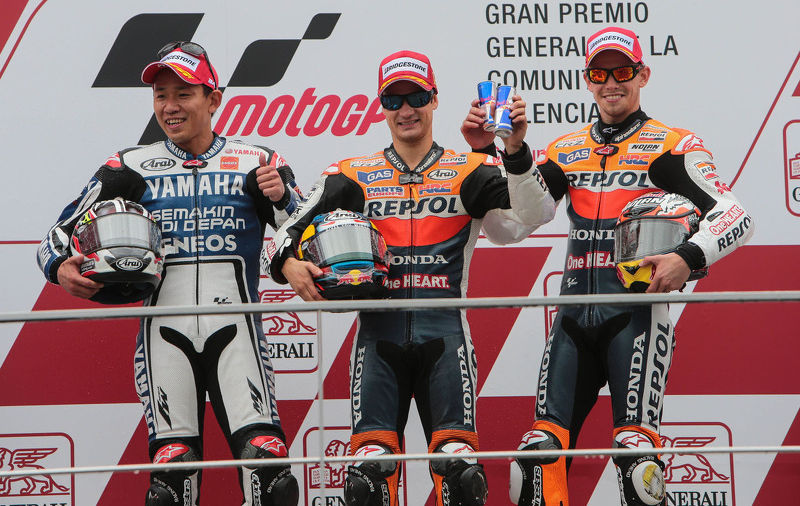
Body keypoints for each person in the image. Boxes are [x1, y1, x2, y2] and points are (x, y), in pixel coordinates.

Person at [264, 50, 556, 506]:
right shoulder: (350, 175)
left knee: (461, 479)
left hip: (448, 338)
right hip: (377, 342)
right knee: (367, 482)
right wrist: (287, 265)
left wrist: (514, 151)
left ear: (435, 100)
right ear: (381, 107)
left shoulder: (471, 169)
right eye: (393, 99)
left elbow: (534, 215)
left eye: (416, 96)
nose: (405, 109)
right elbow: (288, 231)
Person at [37, 41, 302, 506]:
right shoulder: (129, 166)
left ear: (213, 98)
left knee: (271, 475)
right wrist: (59, 267)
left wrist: (282, 200)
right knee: (171, 481)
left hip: (238, 334)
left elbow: (301, 237)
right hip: (164, 336)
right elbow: (56, 234)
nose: (170, 106)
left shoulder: (259, 162)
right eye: (161, 94)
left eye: (184, 93)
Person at [505, 27, 755, 506]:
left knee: (637, 460)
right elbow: (519, 223)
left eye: (622, 71)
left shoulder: (672, 144)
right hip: (573, 316)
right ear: (587, 79)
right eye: (600, 72)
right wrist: (514, 154)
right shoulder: (566, 148)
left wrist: (688, 257)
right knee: (538, 461)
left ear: (643, 74)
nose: (611, 82)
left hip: (636, 317)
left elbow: (736, 216)